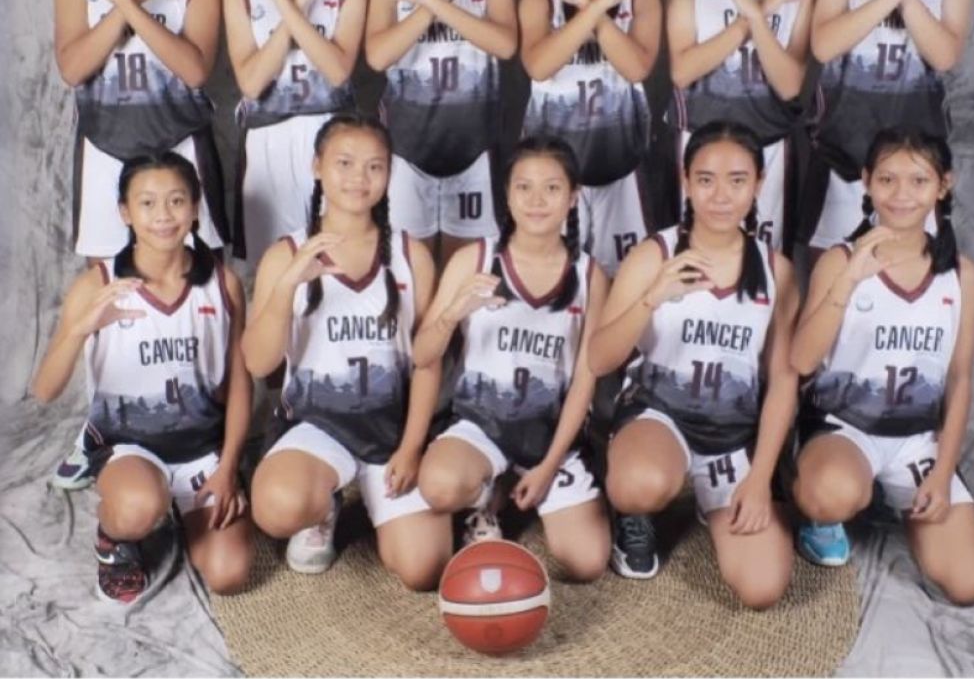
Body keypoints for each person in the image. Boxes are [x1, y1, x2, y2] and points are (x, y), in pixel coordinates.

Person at [589, 121, 800, 608]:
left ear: (759, 183)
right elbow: (599, 359)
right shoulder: (656, 253)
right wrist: (652, 297)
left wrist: (760, 477)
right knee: (639, 485)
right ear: (686, 181)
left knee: (762, 588)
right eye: (706, 179)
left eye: (737, 180)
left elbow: (783, 382)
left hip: (731, 435)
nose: (720, 195)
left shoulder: (776, 270)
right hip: (660, 416)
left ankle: (715, 496)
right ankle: (633, 514)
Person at [32, 152, 252, 605]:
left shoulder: (222, 284)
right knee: (138, 506)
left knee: (229, 573)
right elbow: (44, 390)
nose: (163, 215)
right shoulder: (98, 284)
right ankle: (115, 540)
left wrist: (229, 466)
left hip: (201, 449)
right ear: (125, 212)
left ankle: (182, 504)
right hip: (128, 446)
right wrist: (79, 329)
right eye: (147, 203)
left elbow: (238, 383)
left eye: (176, 200)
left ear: (195, 207)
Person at [243, 114, 451, 590]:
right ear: (317, 167)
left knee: (424, 568)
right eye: (345, 163)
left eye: (375, 166)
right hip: (316, 426)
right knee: (276, 508)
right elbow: (258, 362)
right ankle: (323, 504)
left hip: (390, 430)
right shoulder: (286, 253)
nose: (359, 177)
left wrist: (412, 446)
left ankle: (378, 495)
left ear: (389, 173)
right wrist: (288, 285)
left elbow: (428, 361)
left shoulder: (410, 255)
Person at [791, 129, 974, 605]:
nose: (902, 194)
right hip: (845, 427)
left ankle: (896, 493)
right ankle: (820, 514)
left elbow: (960, 378)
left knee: (970, 585)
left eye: (918, 180)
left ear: (943, 185)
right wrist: (848, 281)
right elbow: (800, 360)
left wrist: (942, 473)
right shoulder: (840, 259)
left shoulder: (961, 275)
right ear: (866, 182)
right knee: (833, 492)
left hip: (916, 439)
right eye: (887, 179)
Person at [413, 136, 611, 582]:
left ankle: (513, 486)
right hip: (480, 426)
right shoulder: (475, 259)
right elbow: (422, 354)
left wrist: (549, 466)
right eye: (524, 187)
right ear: (506, 194)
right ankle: (486, 498)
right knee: (440, 486)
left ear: (573, 197)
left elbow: (585, 381)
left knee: (587, 562)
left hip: (549, 435)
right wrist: (452, 315)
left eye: (552, 188)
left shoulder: (589, 275)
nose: (536, 201)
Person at [54, 0, 228, 261]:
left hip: (180, 143)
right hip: (105, 143)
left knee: (198, 279)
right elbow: (73, 68)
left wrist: (125, 1)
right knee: (108, 286)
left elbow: (195, 71)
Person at [802, 0, 973, 252]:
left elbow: (944, 55)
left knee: (907, 281)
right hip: (842, 158)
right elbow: (824, 46)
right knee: (831, 281)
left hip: (915, 167)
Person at [365, 0, 517, 267]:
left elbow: (504, 46)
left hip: (475, 149)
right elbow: (378, 56)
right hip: (406, 150)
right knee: (408, 272)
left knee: (464, 274)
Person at [666, 0, 814, 254]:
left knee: (763, 265)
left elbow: (790, 84)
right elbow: (682, 71)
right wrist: (759, 10)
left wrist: (754, 14)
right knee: (693, 260)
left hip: (770, 146)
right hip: (696, 139)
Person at [224, 0, 366, 264]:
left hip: (332, 139)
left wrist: (289, 0)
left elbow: (337, 71)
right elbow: (252, 83)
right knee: (275, 270)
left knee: (337, 266)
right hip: (267, 142)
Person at [518, 0, 662, 276]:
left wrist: (587, 3)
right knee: (555, 280)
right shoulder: (539, 1)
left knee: (628, 280)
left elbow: (635, 68)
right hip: (551, 174)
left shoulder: (642, 0)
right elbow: (540, 65)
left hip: (623, 167)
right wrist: (594, 5)